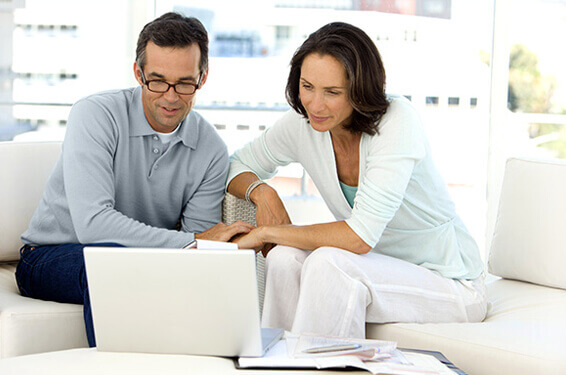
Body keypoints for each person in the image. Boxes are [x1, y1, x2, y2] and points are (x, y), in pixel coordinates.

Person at [228, 22, 487, 339]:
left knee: (329, 264)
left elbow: (358, 238)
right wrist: (262, 191)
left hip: (447, 281)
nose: (315, 105)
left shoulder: (398, 121)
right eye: (307, 87)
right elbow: (236, 164)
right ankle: (276, 362)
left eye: (332, 93)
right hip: (376, 268)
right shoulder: (303, 125)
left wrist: (269, 232)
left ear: (360, 90)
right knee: (283, 258)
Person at [16, 12, 253, 347]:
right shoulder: (95, 115)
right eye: (157, 80)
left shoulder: (211, 149)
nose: (171, 96)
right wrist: (190, 243)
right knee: (111, 266)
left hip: (146, 264)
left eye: (185, 83)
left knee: (182, 284)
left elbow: (197, 250)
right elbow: (94, 226)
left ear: (203, 78)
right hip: (50, 255)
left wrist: (197, 246)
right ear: (137, 73)